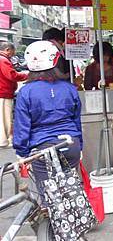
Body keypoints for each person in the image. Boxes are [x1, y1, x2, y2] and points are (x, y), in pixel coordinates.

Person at [12, 40, 82, 205]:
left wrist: (21, 153)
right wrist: (81, 146)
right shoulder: (69, 88)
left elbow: (22, 126)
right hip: (70, 143)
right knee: (71, 190)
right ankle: (74, 225)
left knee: (49, 196)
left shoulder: (25, 92)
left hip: (41, 149)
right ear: (56, 60)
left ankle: (54, 228)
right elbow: (76, 120)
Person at [0, 42, 28, 148]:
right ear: (7, 49)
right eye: (13, 51)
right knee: (5, 118)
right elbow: (11, 75)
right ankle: (3, 141)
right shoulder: (3, 60)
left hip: (3, 92)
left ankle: (3, 140)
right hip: (3, 92)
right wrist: (26, 75)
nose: (14, 53)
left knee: (3, 117)